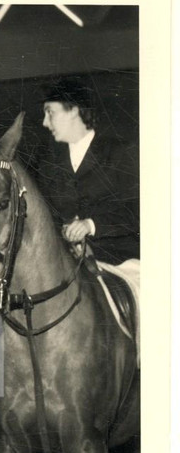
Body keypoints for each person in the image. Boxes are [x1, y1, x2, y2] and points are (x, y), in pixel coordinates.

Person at [37, 77, 139, 307]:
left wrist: (91, 225)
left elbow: (140, 213)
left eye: (50, 112)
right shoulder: (48, 164)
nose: (44, 122)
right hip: (69, 267)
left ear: (73, 110)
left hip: (121, 263)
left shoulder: (121, 152)